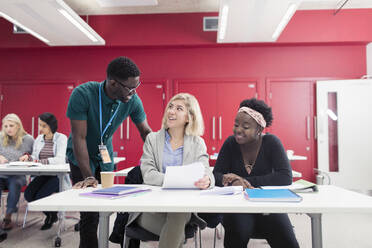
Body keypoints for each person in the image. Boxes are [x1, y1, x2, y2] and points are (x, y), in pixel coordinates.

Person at [66, 56, 152, 248]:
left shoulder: (132, 100)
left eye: (136, 87)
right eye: (130, 88)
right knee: (89, 214)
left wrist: (162, 152)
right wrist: (88, 177)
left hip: (105, 157)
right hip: (81, 156)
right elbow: (79, 137)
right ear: (113, 83)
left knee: (104, 208)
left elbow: (145, 131)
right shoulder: (83, 94)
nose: (133, 92)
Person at [126, 93, 215, 248]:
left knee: (178, 213)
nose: (171, 111)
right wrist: (178, 179)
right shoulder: (152, 139)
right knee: (176, 232)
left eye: (179, 108)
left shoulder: (197, 143)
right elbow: (148, 175)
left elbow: (205, 170)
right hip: (151, 209)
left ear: (189, 117)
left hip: (182, 208)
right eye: (170, 107)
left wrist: (207, 180)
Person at [213, 98, 300, 248]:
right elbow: (216, 175)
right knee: (238, 232)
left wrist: (243, 181)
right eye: (236, 125)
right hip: (238, 206)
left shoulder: (272, 142)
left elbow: (285, 176)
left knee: (287, 240)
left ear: (259, 129)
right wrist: (233, 182)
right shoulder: (230, 143)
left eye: (245, 126)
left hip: (268, 205)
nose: (238, 130)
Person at [24, 112, 69, 230]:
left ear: (51, 126)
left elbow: (60, 159)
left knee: (40, 197)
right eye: (39, 125)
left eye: (44, 126)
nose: (40, 128)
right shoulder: (39, 138)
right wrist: (29, 158)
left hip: (57, 176)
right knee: (28, 194)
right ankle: (52, 214)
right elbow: (35, 156)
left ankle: (51, 216)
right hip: (43, 174)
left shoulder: (61, 138)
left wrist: (40, 161)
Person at [0, 113, 34, 231]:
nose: (8, 129)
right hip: (1, 174)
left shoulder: (28, 139)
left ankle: (8, 217)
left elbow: (35, 155)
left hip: (17, 175)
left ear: (18, 126)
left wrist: (28, 157)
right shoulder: (0, 137)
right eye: (5, 126)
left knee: (15, 184)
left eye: (11, 125)